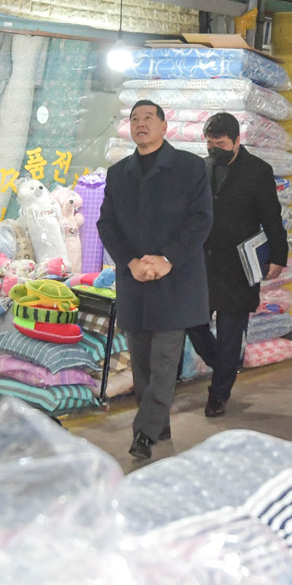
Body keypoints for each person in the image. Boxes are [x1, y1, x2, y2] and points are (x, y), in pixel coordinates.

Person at [98, 100, 214, 461]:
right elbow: (107, 225)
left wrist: (168, 259)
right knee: (143, 364)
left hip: (175, 280)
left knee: (164, 360)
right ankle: (158, 426)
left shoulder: (190, 167)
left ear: (165, 126)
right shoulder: (119, 174)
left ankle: (144, 434)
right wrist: (131, 262)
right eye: (135, 118)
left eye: (149, 118)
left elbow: (201, 220)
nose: (140, 123)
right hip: (134, 280)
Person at [187, 112, 288, 419]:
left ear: (236, 140)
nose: (214, 149)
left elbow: (271, 217)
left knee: (231, 334)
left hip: (240, 267)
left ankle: (218, 395)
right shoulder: (201, 168)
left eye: (220, 144)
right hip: (203, 263)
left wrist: (278, 256)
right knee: (194, 324)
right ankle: (224, 364)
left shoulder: (257, 170)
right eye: (209, 143)